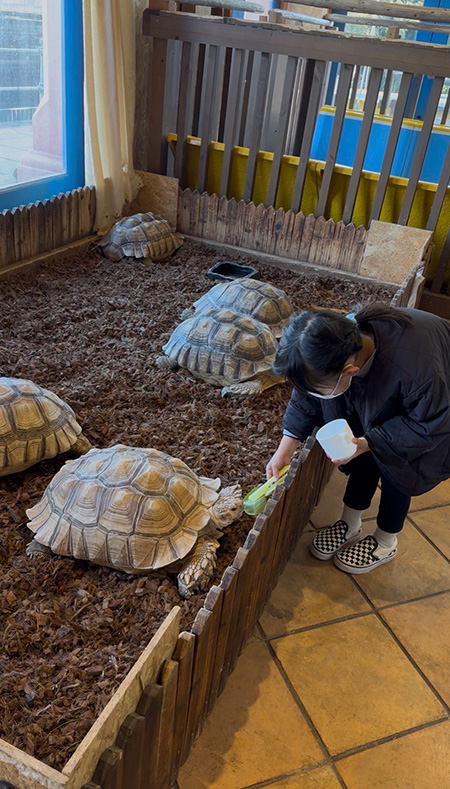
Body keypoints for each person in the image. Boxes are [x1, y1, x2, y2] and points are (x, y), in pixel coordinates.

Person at [266, 303, 450, 574]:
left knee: (397, 468)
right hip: (398, 391)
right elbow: (306, 393)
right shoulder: (334, 343)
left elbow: (430, 423)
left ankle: (386, 540)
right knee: (363, 451)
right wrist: (285, 447)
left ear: (349, 371)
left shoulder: (418, 370)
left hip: (435, 405)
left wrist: (370, 443)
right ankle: (350, 522)